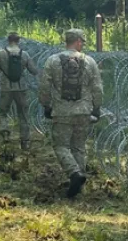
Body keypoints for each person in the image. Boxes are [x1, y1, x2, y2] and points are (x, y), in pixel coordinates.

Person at [38, 29, 103, 198]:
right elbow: (97, 88)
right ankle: (79, 187)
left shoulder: (52, 61)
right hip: (84, 111)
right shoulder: (90, 62)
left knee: (61, 146)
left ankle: (75, 174)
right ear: (79, 42)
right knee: (79, 147)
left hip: (61, 112)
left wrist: (46, 105)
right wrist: (97, 107)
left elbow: (45, 86)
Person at [0, 32, 39, 150]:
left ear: (8, 40)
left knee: (3, 112)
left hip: (6, 88)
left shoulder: (1, 53)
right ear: (19, 41)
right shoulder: (25, 54)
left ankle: (5, 134)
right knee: (23, 115)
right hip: (21, 88)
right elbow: (34, 70)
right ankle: (25, 142)